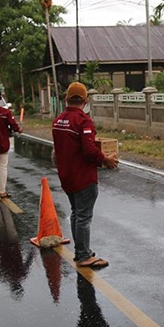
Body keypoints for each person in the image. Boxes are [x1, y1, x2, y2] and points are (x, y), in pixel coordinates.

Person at [51, 82, 118, 269]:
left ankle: (81, 250)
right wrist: (105, 160)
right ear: (86, 100)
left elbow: (58, 149)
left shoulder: (58, 121)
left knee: (76, 213)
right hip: (83, 177)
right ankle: (83, 256)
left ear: (66, 99)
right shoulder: (83, 121)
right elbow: (89, 149)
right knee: (83, 217)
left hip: (66, 176)